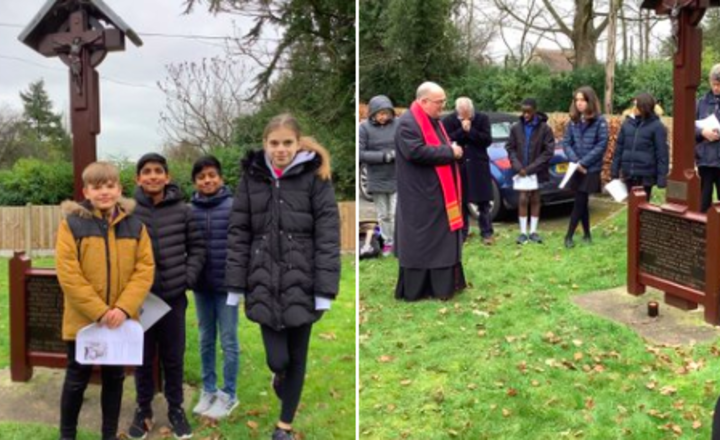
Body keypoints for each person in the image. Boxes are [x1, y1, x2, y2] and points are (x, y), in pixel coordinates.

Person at [225, 114, 341, 440]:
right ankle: (280, 376)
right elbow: (239, 231)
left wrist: (324, 289)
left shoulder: (316, 177)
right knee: (278, 359)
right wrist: (235, 285)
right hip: (262, 280)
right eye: (274, 143)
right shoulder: (252, 177)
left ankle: (284, 426)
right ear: (265, 144)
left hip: (302, 280)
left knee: (298, 356)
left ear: (298, 143)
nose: (280, 149)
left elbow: (328, 233)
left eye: (287, 142)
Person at [56, 162, 154, 440]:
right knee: (76, 380)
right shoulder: (71, 225)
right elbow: (68, 273)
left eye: (109, 186)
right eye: (97, 187)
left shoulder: (136, 226)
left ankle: (108, 435)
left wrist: (123, 308)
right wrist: (100, 311)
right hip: (84, 321)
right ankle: (67, 435)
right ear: (86, 190)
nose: (104, 192)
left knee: (115, 379)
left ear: (119, 189)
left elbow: (144, 269)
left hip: (121, 322)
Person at [128, 153, 205, 440]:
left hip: (173, 299)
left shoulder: (184, 211)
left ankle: (176, 408)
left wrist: (187, 278)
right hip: (141, 300)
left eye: (158, 170)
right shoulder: (129, 211)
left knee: (173, 357)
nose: (152, 176)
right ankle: (143, 409)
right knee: (143, 358)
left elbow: (197, 248)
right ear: (138, 178)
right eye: (146, 171)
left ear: (167, 176)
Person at [395, 82, 466, 301]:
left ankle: (444, 286)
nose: (443, 107)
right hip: (421, 197)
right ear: (423, 101)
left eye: (444, 101)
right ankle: (420, 289)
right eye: (439, 102)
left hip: (439, 195)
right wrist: (450, 152)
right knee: (423, 243)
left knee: (443, 241)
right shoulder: (408, 123)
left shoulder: (433, 121)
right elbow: (416, 152)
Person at [188, 155, 240, 420]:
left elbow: (243, 244)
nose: (207, 180)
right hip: (202, 286)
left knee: (229, 340)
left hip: (228, 286)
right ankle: (208, 389)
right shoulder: (189, 210)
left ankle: (229, 393)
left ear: (220, 178)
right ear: (195, 182)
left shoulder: (234, 206)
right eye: (201, 177)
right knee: (206, 338)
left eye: (211, 175)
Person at [442, 97, 494, 245]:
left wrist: (471, 130)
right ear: (457, 111)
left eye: (468, 113)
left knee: (484, 202)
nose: (465, 116)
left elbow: (487, 140)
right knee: (461, 201)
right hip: (460, 165)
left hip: (478, 165)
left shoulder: (482, 119)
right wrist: (462, 130)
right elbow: (447, 139)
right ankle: (462, 232)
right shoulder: (449, 120)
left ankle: (487, 232)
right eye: (462, 113)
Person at [562, 86, 609, 249]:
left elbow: (601, 145)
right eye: (577, 100)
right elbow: (566, 142)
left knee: (580, 200)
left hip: (590, 168)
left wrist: (584, 163)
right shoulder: (573, 121)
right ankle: (587, 234)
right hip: (576, 167)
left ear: (590, 101)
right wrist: (576, 161)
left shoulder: (600, 121)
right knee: (582, 201)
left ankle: (568, 236)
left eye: (583, 100)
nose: (579, 103)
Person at [505, 98, 555, 244]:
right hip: (521, 170)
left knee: (535, 198)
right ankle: (522, 233)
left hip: (537, 170)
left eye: (529, 112)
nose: (526, 115)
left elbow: (548, 151)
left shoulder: (545, 128)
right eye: (523, 112)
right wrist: (517, 166)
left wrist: (531, 168)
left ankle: (533, 232)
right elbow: (510, 148)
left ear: (535, 110)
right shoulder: (516, 127)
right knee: (522, 198)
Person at [611, 92, 669, 201]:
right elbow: (619, 149)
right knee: (631, 208)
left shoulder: (657, 127)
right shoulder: (627, 124)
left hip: (645, 176)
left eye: (636, 105)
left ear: (644, 107)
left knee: (642, 209)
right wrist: (614, 171)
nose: (633, 108)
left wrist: (662, 179)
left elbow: (662, 154)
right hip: (628, 173)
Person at [359, 95, 398, 257]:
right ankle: (387, 242)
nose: (383, 117)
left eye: (386, 113)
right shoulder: (364, 128)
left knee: (396, 213)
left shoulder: (398, 124)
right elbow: (360, 154)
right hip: (377, 177)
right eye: (380, 114)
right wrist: (384, 156)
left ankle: (399, 242)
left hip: (396, 176)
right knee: (383, 214)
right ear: (373, 114)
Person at [696, 63, 720, 212]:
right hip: (704, 159)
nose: (716, 88)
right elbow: (689, 126)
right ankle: (703, 230)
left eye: (719, 84)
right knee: (703, 200)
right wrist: (702, 132)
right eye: (714, 84)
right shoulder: (701, 103)